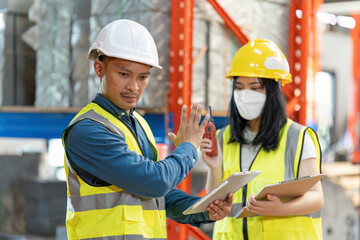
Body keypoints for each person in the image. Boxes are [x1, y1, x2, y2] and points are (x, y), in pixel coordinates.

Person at [62, 19, 233, 240]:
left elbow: (158, 195)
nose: (134, 87)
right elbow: (154, 181)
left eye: (143, 77)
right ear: (99, 68)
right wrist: (189, 148)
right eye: (124, 74)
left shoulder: (139, 124)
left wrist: (204, 208)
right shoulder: (87, 131)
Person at [200, 39, 324, 239]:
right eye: (239, 87)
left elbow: (316, 198)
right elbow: (215, 200)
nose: (244, 94)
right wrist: (214, 166)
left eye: (255, 87)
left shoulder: (298, 138)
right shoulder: (223, 137)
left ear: (274, 90)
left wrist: (279, 208)